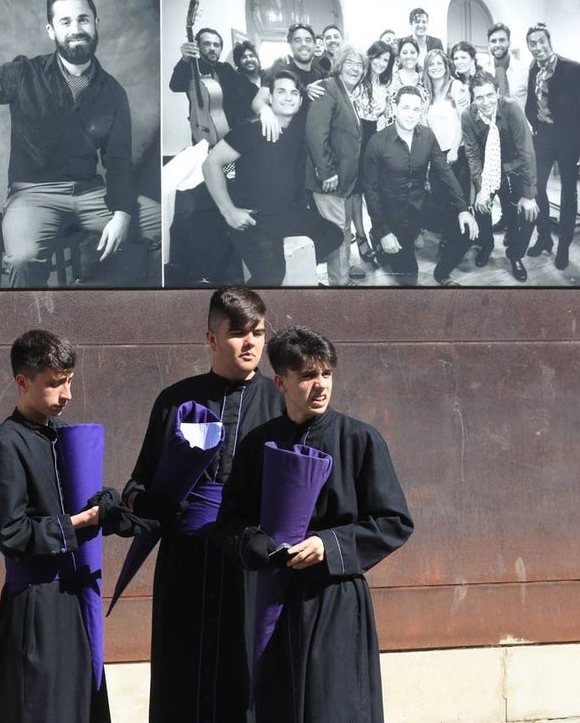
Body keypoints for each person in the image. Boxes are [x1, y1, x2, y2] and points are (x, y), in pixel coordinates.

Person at [216, 325, 413, 723]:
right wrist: (252, 544)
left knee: (334, 705)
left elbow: (394, 522)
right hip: (277, 596)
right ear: (281, 382)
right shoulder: (259, 444)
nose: (320, 385)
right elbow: (229, 522)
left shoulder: (360, 440)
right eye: (308, 375)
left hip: (336, 597)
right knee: (277, 704)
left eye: (326, 374)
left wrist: (328, 545)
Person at [123, 287, 283, 723]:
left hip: (250, 563)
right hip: (186, 562)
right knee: (182, 671)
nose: (251, 343)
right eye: (238, 334)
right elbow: (137, 482)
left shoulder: (282, 404)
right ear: (211, 339)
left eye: (259, 332)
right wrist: (148, 501)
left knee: (247, 670)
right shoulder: (175, 400)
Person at [0, 0, 160, 288]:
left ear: (96, 24)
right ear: (51, 30)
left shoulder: (112, 91)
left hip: (92, 195)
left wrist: (123, 214)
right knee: (23, 259)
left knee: (166, 224)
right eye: (65, 22)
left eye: (83, 19)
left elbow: (119, 162)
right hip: (32, 195)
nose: (76, 29)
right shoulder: (23, 72)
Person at [0, 329, 121, 723]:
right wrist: (76, 523)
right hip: (36, 603)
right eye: (55, 384)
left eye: (69, 381)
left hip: (75, 598)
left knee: (78, 705)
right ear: (22, 382)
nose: (67, 395)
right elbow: (11, 532)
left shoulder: (62, 436)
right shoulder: (4, 445)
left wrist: (106, 505)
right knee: (39, 707)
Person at [203, 69, 342, 286]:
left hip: (285, 213)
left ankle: (296, 276)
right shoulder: (251, 129)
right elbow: (211, 163)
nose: (288, 97)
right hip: (253, 219)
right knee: (271, 275)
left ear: (300, 101)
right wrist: (229, 210)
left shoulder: (297, 131)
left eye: (294, 93)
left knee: (333, 235)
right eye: (281, 92)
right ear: (271, 98)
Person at [362, 86, 469, 285]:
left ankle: (442, 274)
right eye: (406, 108)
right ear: (394, 108)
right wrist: (383, 231)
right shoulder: (377, 142)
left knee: (466, 231)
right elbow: (371, 190)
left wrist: (463, 208)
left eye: (416, 109)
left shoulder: (427, 136)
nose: (411, 115)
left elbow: (445, 172)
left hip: (419, 203)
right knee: (410, 279)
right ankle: (380, 245)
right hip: (393, 214)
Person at [447, 71, 540, 284]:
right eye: (479, 97)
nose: (485, 102)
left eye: (490, 95)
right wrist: (481, 189)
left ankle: (515, 254)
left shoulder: (511, 109)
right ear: (472, 98)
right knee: (482, 210)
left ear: (497, 92)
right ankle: (486, 246)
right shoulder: (468, 116)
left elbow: (526, 152)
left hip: (513, 169)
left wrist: (528, 195)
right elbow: (472, 154)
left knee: (528, 214)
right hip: (486, 171)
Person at [523, 23, 580, 271]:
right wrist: (534, 125)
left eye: (541, 41)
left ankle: (564, 245)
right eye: (532, 44)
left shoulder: (574, 69)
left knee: (569, 194)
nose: (537, 47)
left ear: (549, 41)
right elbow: (533, 101)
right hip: (543, 137)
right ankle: (544, 238)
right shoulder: (534, 68)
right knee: (537, 190)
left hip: (569, 139)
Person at [306, 45, 368, 286]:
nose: (355, 68)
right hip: (329, 179)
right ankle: (340, 284)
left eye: (360, 65)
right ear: (339, 64)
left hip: (342, 179)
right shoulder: (328, 87)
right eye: (350, 62)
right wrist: (326, 171)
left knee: (341, 230)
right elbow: (315, 133)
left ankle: (339, 280)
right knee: (337, 233)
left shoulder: (346, 92)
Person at [351, 41, 396, 267]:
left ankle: (377, 231)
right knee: (357, 192)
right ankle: (360, 237)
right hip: (358, 139)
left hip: (377, 140)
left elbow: (387, 116)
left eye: (386, 59)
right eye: (377, 57)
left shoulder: (385, 84)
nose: (381, 62)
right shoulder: (357, 82)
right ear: (370, 57)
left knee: (376, 190)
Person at [423, 48, 473, 228]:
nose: (435, 67)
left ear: (446, 66)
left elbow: (464, 121)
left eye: (439, 63)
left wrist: (453, 149)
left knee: (458, 199)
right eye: (431, 64)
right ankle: (448, 238)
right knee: (440, 199)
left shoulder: (456, 86)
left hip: (455, 152)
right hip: (436, 154)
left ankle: (461, 242)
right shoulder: (428, 93)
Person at [253, 23, 327, 141]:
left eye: (308, 40)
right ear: (290, 45)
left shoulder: (320, 73)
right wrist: (266, 112)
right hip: (284, 138)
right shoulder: (279, 69)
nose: (303, 44)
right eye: (297, 40)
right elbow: (258, 101)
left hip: (312, 142)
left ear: (314, 44)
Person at [168, 26, 241, 142]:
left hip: (227, 130)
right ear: (198, 47)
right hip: (200, 128)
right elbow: (175, 86)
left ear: (221, 49)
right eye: (207, 44)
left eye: (216, 45)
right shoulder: (191, 67)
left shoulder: (226, 69)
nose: (212, 48)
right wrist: (185, 59)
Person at [483, 22, 529, 108]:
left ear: (509, 42)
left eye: (502, 40)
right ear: (489, 45)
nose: (497, 45)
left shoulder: (524, 71)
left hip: (518, 120)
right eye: (493, 41)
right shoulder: (484, 72)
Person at [228, 40, 263, 128]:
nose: (249, 60)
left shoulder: (267, 76)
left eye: (251, 56)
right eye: (244, 57)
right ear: (238, 62)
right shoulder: (235, 85)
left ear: (257, 59)